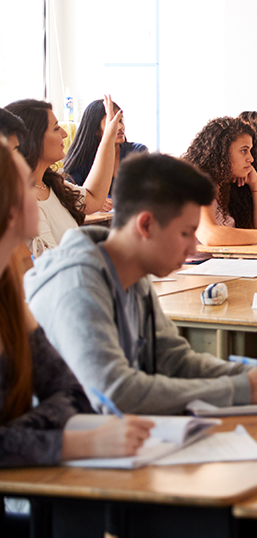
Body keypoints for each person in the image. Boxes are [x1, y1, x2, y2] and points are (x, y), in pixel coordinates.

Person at [24, 152, 257, 415]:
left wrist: (253, 377)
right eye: (185, 233)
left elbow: (173, 361)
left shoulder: (133, 275)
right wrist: (244, 388)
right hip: (75, 449)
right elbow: (115, 393)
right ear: (145, 225)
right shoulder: (78, 285)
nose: (192, 246)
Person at [0, 137, 153, 468]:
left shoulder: (7, 293)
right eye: (27, 185)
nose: (38, 194)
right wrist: (74, 442)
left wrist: (14, 434)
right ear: (8, 207)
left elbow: (71, 391)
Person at [6, 97, 118, 258]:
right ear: (33, 139)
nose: (65, 134)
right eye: (56, 128)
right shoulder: (26, 202)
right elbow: (52, 263)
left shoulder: (50, 184)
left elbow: (94, 198)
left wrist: (108, 135)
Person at [182, 116, 257, 246]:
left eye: (250, 151)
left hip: (225, 263)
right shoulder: (195, 183)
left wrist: (256, 185)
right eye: (243, 151)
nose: (251, 158)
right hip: (197, 265)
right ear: (221, 152)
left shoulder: (229, 185)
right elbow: (210, 235)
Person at [63, 98, 148, 202]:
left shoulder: (137, 152)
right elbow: (67, 193)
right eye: (112, 122)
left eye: (120, 120)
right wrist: (94, 201)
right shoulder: (82, 158)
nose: (120, 127)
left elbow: (147, 193)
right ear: (95, 130)